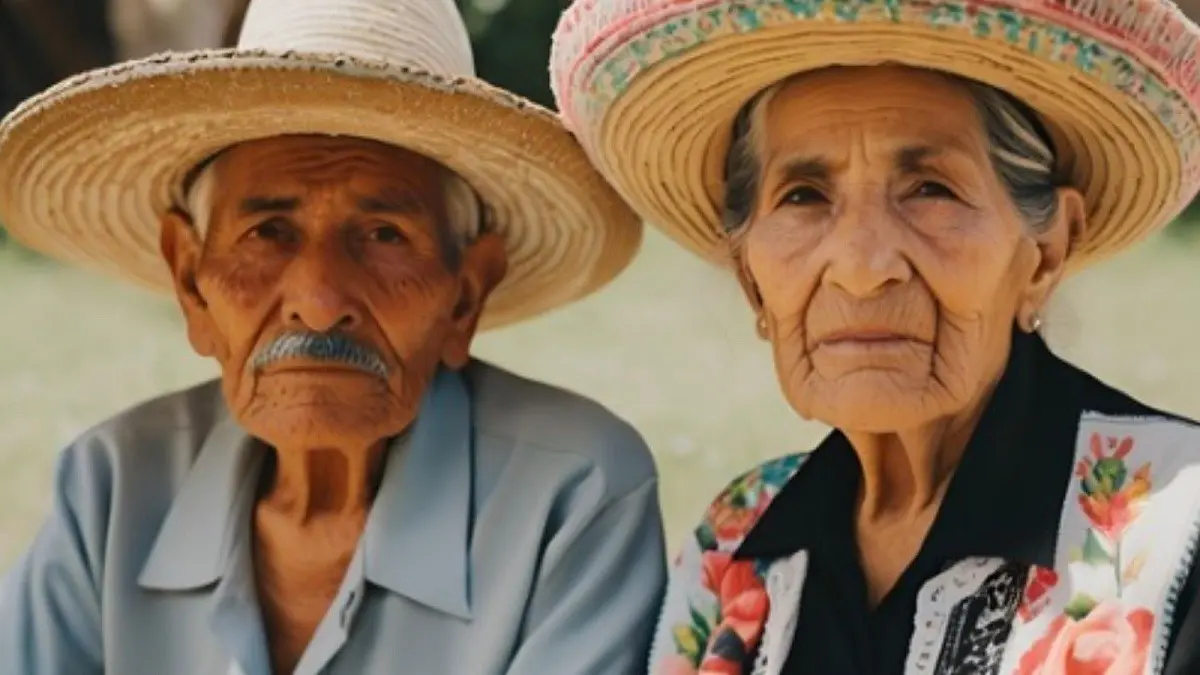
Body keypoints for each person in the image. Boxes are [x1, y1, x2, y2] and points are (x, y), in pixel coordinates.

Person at [0, 0, 665, 673]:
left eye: (383, 236)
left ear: (465, 293)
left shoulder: (572, 492)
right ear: (192, 280)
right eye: (268, 233)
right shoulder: (111, 489)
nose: (318, 305)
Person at [551, 0, 1200, 673]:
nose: (862, 268)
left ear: (1045, 253)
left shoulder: (1178, 530)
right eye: (803, 195)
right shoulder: (735, 541)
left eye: (929, 189)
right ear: (752, 279)